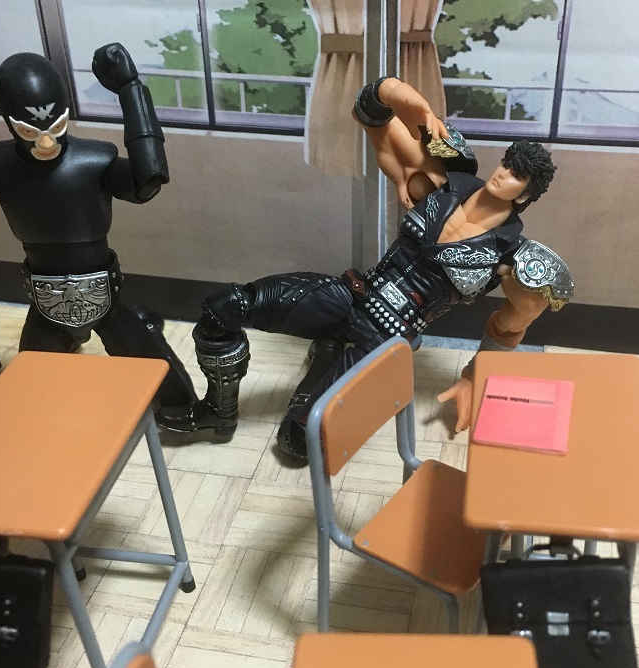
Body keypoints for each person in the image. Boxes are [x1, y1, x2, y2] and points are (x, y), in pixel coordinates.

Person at [157, 77, 574, 459]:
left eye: (517, 176)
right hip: (354, 294)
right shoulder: (437, 180)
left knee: (299, 442)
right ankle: (218, 411)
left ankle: (325, 360)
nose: (504, 174)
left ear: (526, 194)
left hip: (386, 339)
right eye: (507, 163)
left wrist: (473, 376)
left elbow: (511, 324)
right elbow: (371, 111)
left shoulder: (513, 258)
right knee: (223, 308)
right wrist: (417, 107)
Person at [0, 45, 197, 408]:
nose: (46, 141)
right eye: (28, 130)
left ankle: (183, 408)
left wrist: (132, 90)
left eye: (56, 126)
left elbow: (147, 181)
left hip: (103, 292)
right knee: (29, 394)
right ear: (9, 122)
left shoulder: (94, 159)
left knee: (165, 384)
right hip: (45, 297)